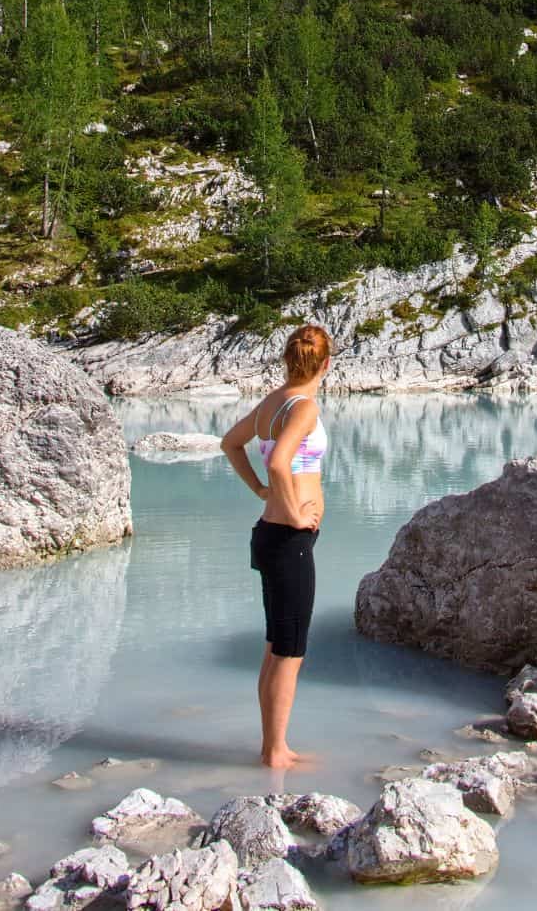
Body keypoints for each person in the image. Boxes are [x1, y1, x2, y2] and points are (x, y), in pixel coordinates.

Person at [220, 323, 331, 769]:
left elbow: (231, 444)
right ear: (326, 364)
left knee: (275, 646)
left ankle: (274, 747)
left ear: (288, 360)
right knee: (290, 651)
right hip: (289, 538)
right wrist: (295, 512)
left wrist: (261, 493)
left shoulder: (272, 401)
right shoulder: (303, 405)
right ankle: (274, 752)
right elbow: (280, 462)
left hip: (272, 535)